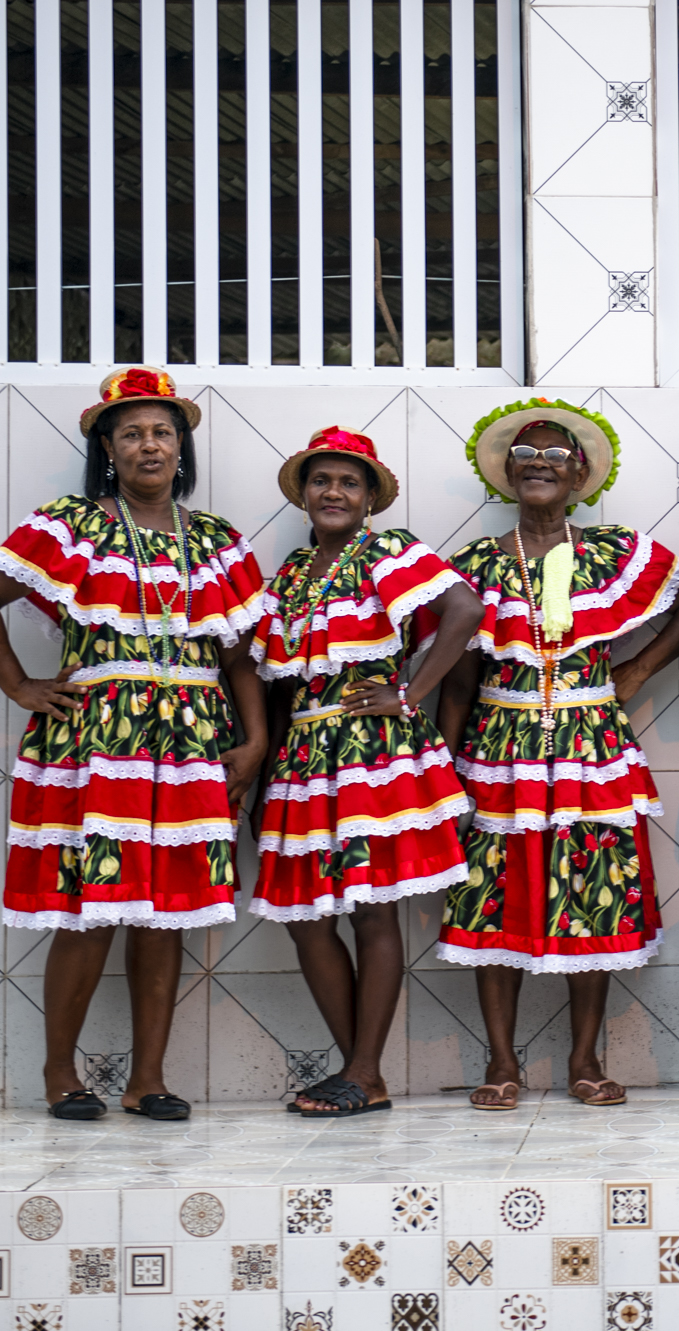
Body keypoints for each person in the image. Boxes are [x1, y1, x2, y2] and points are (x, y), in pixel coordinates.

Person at [0, 366, 266, 1121]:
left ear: (181, 448)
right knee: (89, 909)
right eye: (131, 433)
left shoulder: (217, 539)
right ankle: (61, 1073)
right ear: (108, 449)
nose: (149, 445)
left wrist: (254, 739)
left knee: (167, 910)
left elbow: (236, 655)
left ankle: (147, 1077)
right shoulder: (74, 525)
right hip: (95, 741)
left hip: (192, 741)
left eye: (162, 431)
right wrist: (21, 686)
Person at [436, 400, 679, 1111]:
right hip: (500, 751)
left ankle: (585, 1056)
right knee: (492, 899)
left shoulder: (611, 553)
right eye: (527, 453)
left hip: (594, 750)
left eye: (556, 455)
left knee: (597, 894)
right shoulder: (473, 565)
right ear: (507, 474)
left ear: (580, 474)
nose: (541, 464)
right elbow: (458, 676)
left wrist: (639, 669)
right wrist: (448, 769)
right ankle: (501, 1058)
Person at [250, 427, 482, 1118]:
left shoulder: (388, 550)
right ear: (303, 494)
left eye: (350, 483)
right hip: (303, 756)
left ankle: (362, 1068)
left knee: (374, 910)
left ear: (370, 498)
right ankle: (361, 1069)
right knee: (305, 917)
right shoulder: (292, 572)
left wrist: (408, 690)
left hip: (372, 752)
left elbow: (464, 608)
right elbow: (279, 678)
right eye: (321, 480)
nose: (334, 492)